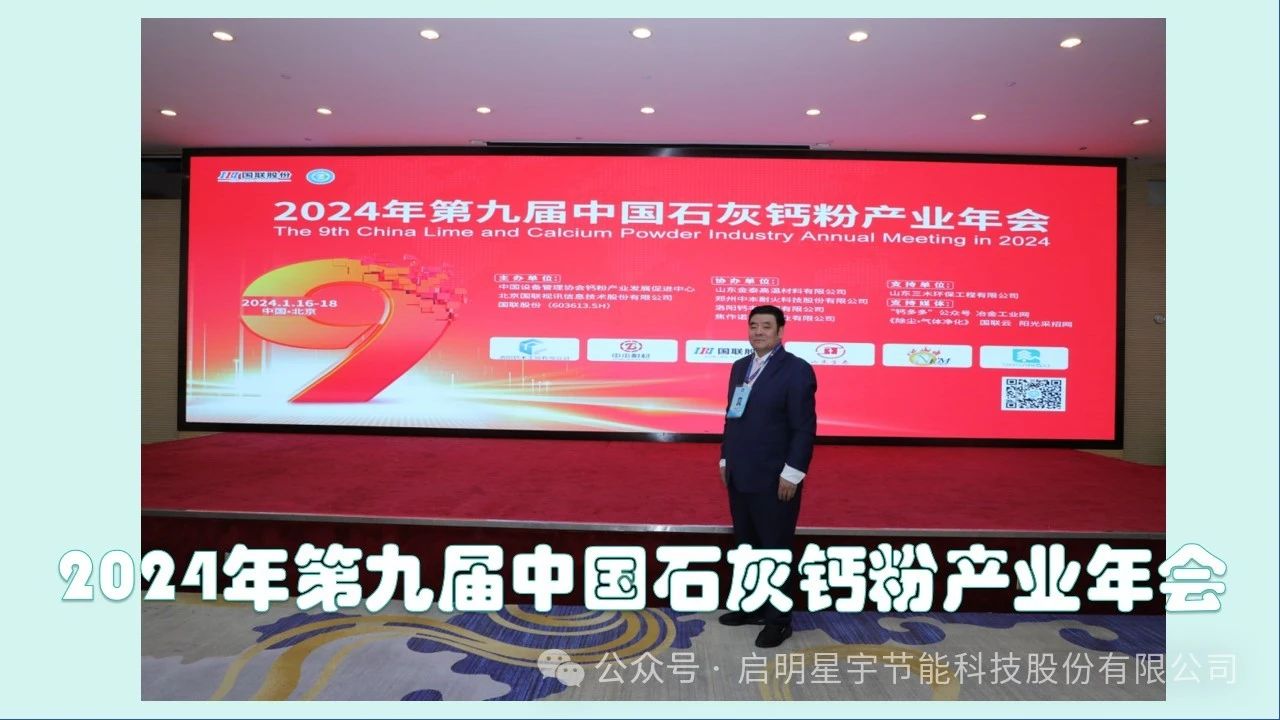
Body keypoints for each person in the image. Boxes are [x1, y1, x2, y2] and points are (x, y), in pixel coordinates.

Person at [717, 304, 817, 648]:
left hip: (776, 477)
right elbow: (732, 416)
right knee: (747, 546)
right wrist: (725, 458)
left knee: (775, 548)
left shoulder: (797, 370)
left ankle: (778, 620)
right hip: (740, 472)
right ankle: (753, 605)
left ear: (780, 332)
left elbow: (804, 427)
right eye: (753, 326)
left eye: (766, 326)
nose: (758, 332)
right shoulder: (740, 367)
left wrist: (793, 473)